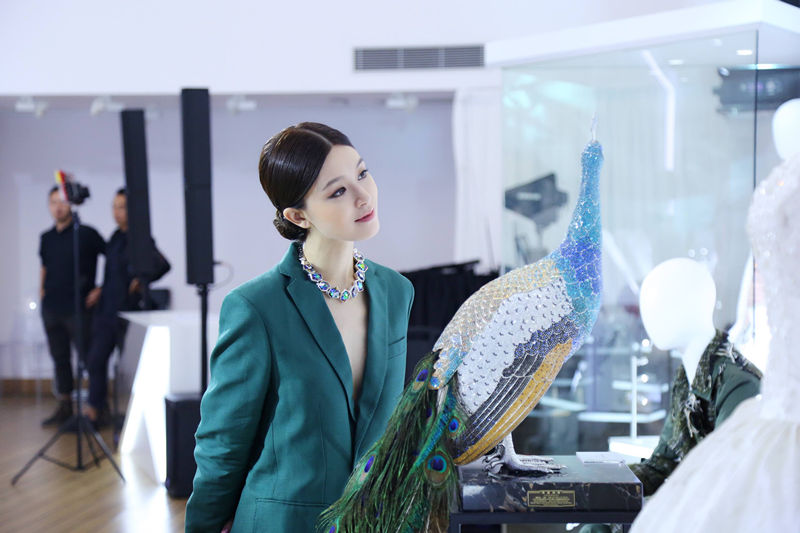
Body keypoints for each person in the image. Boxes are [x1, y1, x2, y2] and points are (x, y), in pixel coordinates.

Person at [184, 122, 414, 533]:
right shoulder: (256, 308)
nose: (363, 196)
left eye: (362, 174)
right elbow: (224, 442)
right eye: (337, 191)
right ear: (297, 215)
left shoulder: (397, 292)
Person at [628, 99, 800, 533]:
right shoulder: (688, 376)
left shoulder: (733, 380)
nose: (650, 316)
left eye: (661, 302)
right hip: (782, 397)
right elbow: (664, 461)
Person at [84, 188, 171, 426]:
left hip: (128, 312)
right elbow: (112, 273)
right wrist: (100, 289)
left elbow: (164, 265)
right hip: (105, 310)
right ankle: (95, 411)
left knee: (128, 367)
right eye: (114, 207)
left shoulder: (141, 238)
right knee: (95, 360)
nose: (117, 212)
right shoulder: (113, 238)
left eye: (121, 207)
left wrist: (142, 280)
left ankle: (133, 416)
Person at [39, 186, 105, 426]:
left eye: (62, 202)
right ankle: (65, 406)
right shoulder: (46, 238)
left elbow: (113, 258)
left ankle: (97, 407)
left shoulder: (86, 234)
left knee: (90, 359)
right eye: (53, 202)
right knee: (60, 359)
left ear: (71, 204)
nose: (58, 207)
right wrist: (42, 291)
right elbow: (45, 267)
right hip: (52, 308)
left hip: (79, 309)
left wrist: (101, 288)